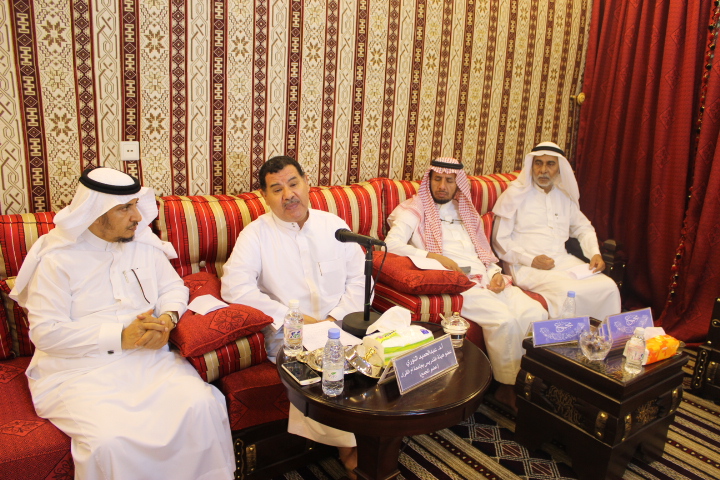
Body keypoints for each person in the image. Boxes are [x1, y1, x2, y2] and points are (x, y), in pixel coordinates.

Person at [10, 167, 235, 480]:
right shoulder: (56, 258)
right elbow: (46, 333)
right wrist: (119, 337)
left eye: (136, 205)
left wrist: (168, 319)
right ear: (96, 213)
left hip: (149, 361)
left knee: (203, 405)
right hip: (79, 372)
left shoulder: (143, 244)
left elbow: (174, 288)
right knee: (110, 442)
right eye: (124, 208)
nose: (138, 217)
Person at [220, 156, 365, 476]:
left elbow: (360, 278)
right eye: (277, 189)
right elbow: (234, 287)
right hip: (291, 333)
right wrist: (291, 318)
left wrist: (335, 317)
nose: (288, 195)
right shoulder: (255, 235)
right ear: (265, 196)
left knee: (382, 351)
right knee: (323, 365)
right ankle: (350, 450)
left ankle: (372, 436)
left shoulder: (334, 226)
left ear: (307, 183)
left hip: (342, 323)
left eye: (293, 183)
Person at [385, 157, 547, 411]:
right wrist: (433, 256)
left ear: (458, 184)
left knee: (536, 312)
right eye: (438, 179)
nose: (442, 186)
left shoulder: (466, 212)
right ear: (429, 180)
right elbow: (390, 245)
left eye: (450, 181)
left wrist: (495, 272)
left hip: (486, 279)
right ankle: (506, 387)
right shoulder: (412, 210)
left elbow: (483, 253)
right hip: (457, 284)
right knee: (503, 320)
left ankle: (529, 382)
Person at [492, 141, 621, 321]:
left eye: (550, 164)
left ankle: (601, 337)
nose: (543, 170)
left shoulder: (563, 196)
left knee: (608, 286)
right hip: (525, 266)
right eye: (538, 163)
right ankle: (564, 338)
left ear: (560, 168)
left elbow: (583, 228)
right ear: (531, 166)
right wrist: (531, 260)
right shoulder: (515, 195)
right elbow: (500, 240)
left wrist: (594, 253)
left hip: (563, 261)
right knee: (569, 292)